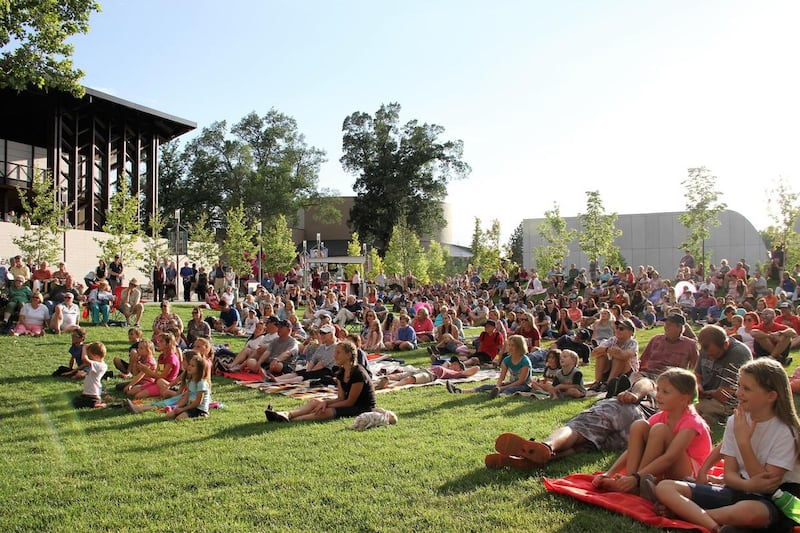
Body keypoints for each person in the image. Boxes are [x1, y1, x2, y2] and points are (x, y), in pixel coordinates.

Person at [654, 359, 800, 532]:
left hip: (773, 501)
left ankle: (686, 514)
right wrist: (746, 485)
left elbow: (766, 485)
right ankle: (714, 524)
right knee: (665, 487)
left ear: (771, 396)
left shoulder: (786, 431)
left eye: (746, 389)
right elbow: (729, 474)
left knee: (748, 512)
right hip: (738, 489)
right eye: (739, 386)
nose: (738, 393)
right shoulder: (736, 421)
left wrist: (744, 443)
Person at [485, 374, 659, 469]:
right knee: (584, 446)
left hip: (625, 407)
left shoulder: (657, 385)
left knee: (578, 428)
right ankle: (530, 461)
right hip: (636, 433)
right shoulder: (666, 409)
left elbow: (646, 381)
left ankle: (546, 446)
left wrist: (634, 394)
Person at [590, 368, 712, 494]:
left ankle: (636, 483)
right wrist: (609, 473)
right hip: (661, 469)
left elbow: (670, 457)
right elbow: (632, 449)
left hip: (689, 474)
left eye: (665, 392)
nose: (658, 395)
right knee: (639, 425)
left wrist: (637, 477)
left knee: (659, 430)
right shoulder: (660, 417)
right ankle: (630, 482)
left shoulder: (692, 423)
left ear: (684, 398)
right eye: (658, 390)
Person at [265, 341, 376, 422]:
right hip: (348, 403)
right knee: (315, 402)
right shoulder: (341, 372)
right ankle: (287, 414)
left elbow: (350, 402)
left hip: (361, 407)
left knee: (323, 411)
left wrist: (326, 405)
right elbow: (341, 398)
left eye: (338, 352)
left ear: (348, 355)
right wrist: (324, 402)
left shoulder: (358, 373)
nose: (335, 355)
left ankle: (289, 419)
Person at [695, 324, 753, 427]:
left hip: (729, 401)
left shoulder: (738, 354)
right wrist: (698, 385)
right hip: (708, 396)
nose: (711, 358)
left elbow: (724, 395)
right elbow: (697, 375)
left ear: (725, 344)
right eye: (708, 355)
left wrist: (705, 394)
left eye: (715, 354)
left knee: (688, 407)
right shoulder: (706, 349)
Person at [446, 335, 532, 397]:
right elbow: (502, 377)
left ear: (519, 347)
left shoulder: (525, 361)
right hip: (512, 383)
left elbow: (521, 381)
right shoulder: (507, 360)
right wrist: (498, 386)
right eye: (509, 345)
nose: (510, 347)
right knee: (486, 386)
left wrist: (502, 388)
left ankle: (499, 396)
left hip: (524, 385)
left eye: (512, 345)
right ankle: (460, 391)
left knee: (508, 390)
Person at [124, 333, 181, 399]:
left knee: (138, 396)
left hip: (164, 384)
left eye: (161, 341)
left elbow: (162, 377)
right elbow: (157, 373)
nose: (158, 343)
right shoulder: (162, 356)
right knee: (130, 392)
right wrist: (143, 369)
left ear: (168, 344)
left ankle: (164, 394)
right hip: (156, 381)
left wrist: (146, 370)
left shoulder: (171, 358)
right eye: (158, 341)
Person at [588, 318, 639, 392]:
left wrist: (612, 351)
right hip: (612, 369)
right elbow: (594, 353)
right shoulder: (612, 340)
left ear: (631, 332)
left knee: (619, 357)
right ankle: (598, 382)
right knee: (601, 356)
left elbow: (625, 355)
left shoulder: (633, 343)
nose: (617, 330)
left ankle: (608, 383)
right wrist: (607, 350)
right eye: (617, 328)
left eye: (621, 329)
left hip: (627, 373)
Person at [167, 355, 211, 420]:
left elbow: (198, 402)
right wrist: (177, 406)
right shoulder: (190, 381)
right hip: (190, 407)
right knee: (170, 415)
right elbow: (186, 397)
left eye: (193, 366)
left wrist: (183, 409)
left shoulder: (201, 383)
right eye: (189, 364)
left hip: (199, 409)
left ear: (200, 370)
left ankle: (203, 415)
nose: (189, 367)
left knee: (179, 418)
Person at [72, 342, 109, 409]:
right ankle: (99, 402)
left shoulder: (100, 365)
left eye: (90, 356)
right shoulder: (97, 364)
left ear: (96, 356)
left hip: (93, 395)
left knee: (85, 404)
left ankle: (99, 403)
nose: (89, 358)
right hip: (87, 394)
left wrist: (84, 347)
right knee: (75, 401)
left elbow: (84, 359)